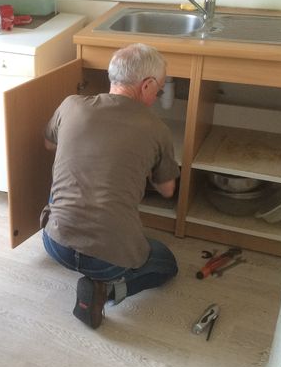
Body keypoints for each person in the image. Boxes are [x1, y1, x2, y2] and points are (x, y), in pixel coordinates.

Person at [40, 43, 180, 329]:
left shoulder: (71, 104)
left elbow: (49, 143)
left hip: (54, 243)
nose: (157, 95)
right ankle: (110, 289)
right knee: (166, 261)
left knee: (66, 181)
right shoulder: (157, 129)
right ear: (147, 85)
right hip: (107, 262)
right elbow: (168, 190)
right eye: (160, 90)